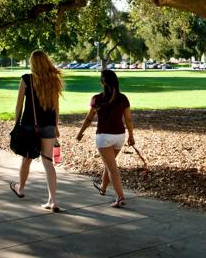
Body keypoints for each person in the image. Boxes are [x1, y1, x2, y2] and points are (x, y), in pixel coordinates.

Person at [10, 50, 63, 212]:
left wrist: (16, 123)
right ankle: (53, 201)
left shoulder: (26, 79)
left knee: (26, 158)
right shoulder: (53, 80)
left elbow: (19, 104)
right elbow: (56, 106)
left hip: (29, 126)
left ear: (33, 63)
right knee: (48, 162)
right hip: (48, 126)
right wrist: (56, 126)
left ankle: (21, 189)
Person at [76, 69, 134, 208]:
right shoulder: (123, 98)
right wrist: (131, 135)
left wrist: (80, 133)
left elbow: (89, 118)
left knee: (112, 168)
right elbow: (129, 120)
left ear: (102, 82)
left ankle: (120, 197)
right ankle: (102, 187)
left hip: (104, 137)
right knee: (110, 164)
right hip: (119, 136)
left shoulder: (97, 99)